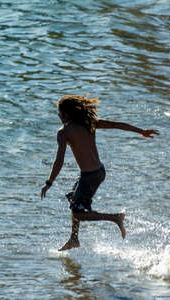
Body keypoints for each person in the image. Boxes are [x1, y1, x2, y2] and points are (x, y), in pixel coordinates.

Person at [41, 95, 159, 251]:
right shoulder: (89, 123)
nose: (58, 116)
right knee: (73, 199)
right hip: (97, 172)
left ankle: (115, 218)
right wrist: (141, 131)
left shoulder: (64, 132)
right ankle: (74, 239)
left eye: (59, 113)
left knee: (78, 213)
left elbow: (59, 161)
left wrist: (49, 183)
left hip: (89, 176)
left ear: (66, 114)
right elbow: (116, 125)